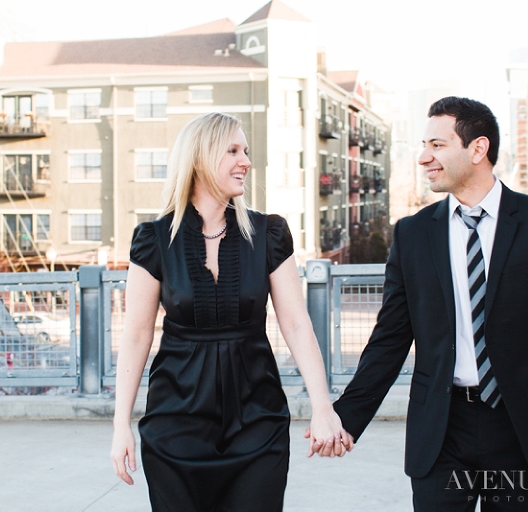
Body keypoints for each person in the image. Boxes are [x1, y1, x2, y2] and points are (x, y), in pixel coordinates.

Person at [324, 97, 528, 510]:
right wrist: (346, 419)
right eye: (423, 146)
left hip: (522, 431)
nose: (424, 158)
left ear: (478, 149)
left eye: (437, 145)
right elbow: (389, 337)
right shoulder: (412, 234)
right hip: (441, 430)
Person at [110, 112, 353, 511]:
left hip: (257, 419)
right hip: (176, 423)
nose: (246, 161)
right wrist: (121, 426)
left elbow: (295, 324)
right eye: (234, 151)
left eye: (246, 151)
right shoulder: (153, 240)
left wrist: (323, 408)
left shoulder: (268, 233)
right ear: (201, 158)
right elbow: (136, 335)